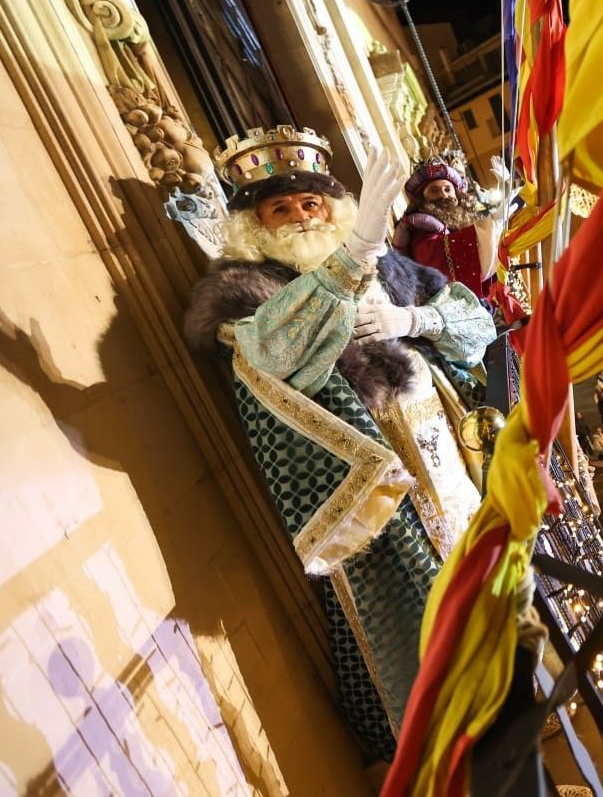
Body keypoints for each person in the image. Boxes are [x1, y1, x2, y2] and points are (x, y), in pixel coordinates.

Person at [184, 138, 496, 760]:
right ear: (253, 224)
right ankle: (453, 752)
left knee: (486, 585)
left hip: (448, 461)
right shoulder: (244, 290)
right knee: (420, 621)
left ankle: (512, 704)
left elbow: (478, 327)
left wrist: (415, 322)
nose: (303, 217)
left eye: (311, 203)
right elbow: (274, 351)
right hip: (378, 494)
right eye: (282, 210)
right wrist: (352, 256)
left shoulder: (396, 271)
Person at [392, 156, 509, 298]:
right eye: (434, 191)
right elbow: (431, 259)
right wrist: (490, 227)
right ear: (422, 198)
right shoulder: (419, 229)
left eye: (448, 189)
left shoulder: (465, 222)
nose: (444, 195)